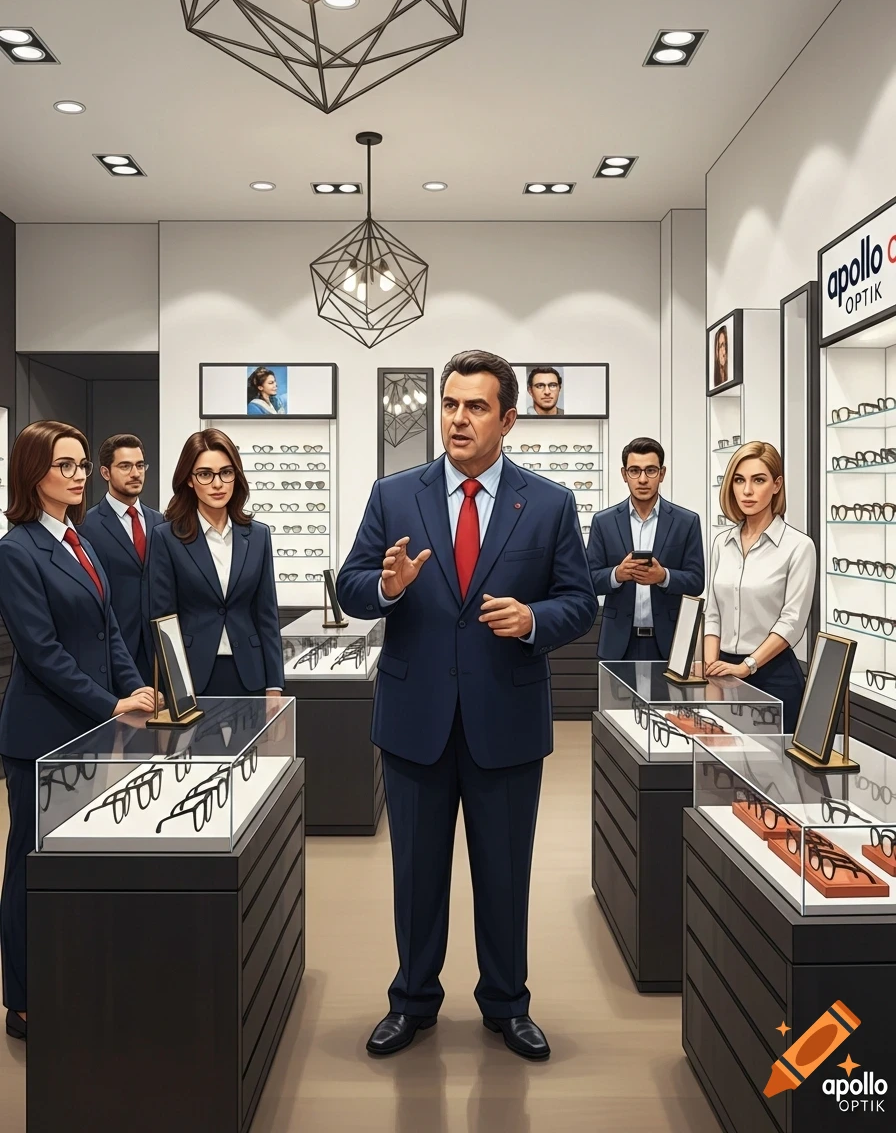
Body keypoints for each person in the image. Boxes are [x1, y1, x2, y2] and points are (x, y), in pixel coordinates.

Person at [337, 349, 596, 1061]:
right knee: (416, 877)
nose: (457, 418)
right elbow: (351, 587)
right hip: (415, 722)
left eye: (475, 406)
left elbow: (581, 602)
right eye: (450, 404)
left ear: (508, 418)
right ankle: (413, 1001)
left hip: (505, 723)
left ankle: (507, 1004)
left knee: (505, 875)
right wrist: (386, 587)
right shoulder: (395, 495)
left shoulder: (547, 503)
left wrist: (535, 620)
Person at [0, 421, 156, 1040]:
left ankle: (74, 974)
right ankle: (25, 997)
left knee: (79, 866)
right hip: (42, 733)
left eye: (81, 464)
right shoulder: (17, 550)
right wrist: (109, 704)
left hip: (91, 730)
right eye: (64, 465)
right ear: (32, 471)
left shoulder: (79, 540)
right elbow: (41, 653)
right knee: (30, 867)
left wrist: (132, 687)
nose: (76, 474)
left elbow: (109, 629)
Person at [148, 429, 283, 698]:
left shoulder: (258, 535)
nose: (218, 484)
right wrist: (172, 687)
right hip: (192, 674)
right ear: (189, 480)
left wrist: (275, 685)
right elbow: (163, 618)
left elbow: (266, 614)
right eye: (205, 474)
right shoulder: (166, 537)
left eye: (226, 472)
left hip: (250, 672)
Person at [704, 441, 816, 731]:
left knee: (774, 773)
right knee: (721, 771)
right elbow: (713, 613)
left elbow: (792, 622)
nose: (747, 491)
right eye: (739, 480)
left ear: (777, 485)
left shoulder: (799, 547)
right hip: (723, 670)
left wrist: (747, 666)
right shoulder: (721, 543)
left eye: (759, 480)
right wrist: (710, 665)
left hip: (773, 675)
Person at [587, 438, 705, 661]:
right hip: (618, 643)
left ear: (662, 473)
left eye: (650, 470)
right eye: (634, 471)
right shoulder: (604, 522)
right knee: (615, 698)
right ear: (624, 474)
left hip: (669, 645)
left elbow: (697, 581)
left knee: (669, 698)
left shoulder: (686, 521)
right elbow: (588, 579)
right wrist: (616, 575)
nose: (642, 479)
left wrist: (664, 576)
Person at [80, 433, 164, 682]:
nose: (135, 473)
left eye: (140, 465)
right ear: (105, 472)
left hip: (157, 651)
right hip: (112, 652)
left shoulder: (160, 522)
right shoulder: (85, 526)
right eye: (125, 466)